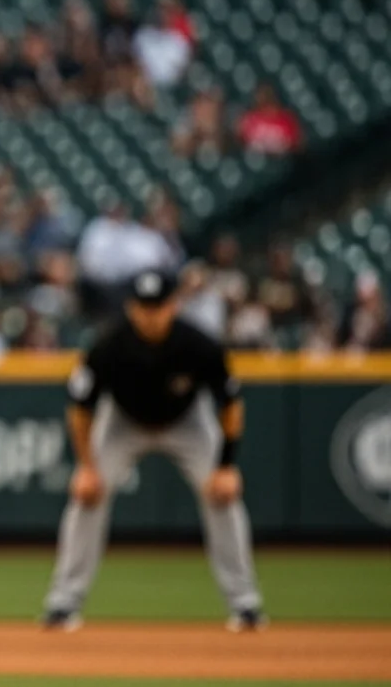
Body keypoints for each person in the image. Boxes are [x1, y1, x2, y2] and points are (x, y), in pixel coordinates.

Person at [42, 269, 264, 632]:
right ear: (131, 308)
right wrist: (86, 466)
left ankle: (246, 604)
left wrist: (226, 465)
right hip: (122, 424)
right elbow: (80, 408)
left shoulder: (198, 344)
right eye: (144, 307)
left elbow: (231, 404)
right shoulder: (109, 345)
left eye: (159, 306)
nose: (151, 314)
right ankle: (63, 603)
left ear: (173, 305)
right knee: (87, 496)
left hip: (187, 422)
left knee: (223, 497)